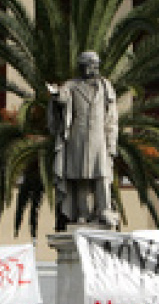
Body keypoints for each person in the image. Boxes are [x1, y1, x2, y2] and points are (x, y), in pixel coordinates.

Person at [47, 51, 119, 229]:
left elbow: (112, 118)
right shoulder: (71, 85)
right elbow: (62, 98)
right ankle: (82, 214)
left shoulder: (105, 86)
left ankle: (104, 209)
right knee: (81, 177)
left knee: (101, 174)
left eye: (94, 64)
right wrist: (56, 96)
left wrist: (111, 144)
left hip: (98, 137)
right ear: (81, 66)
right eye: (87, 65)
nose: (91, 68)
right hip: (77, 137)